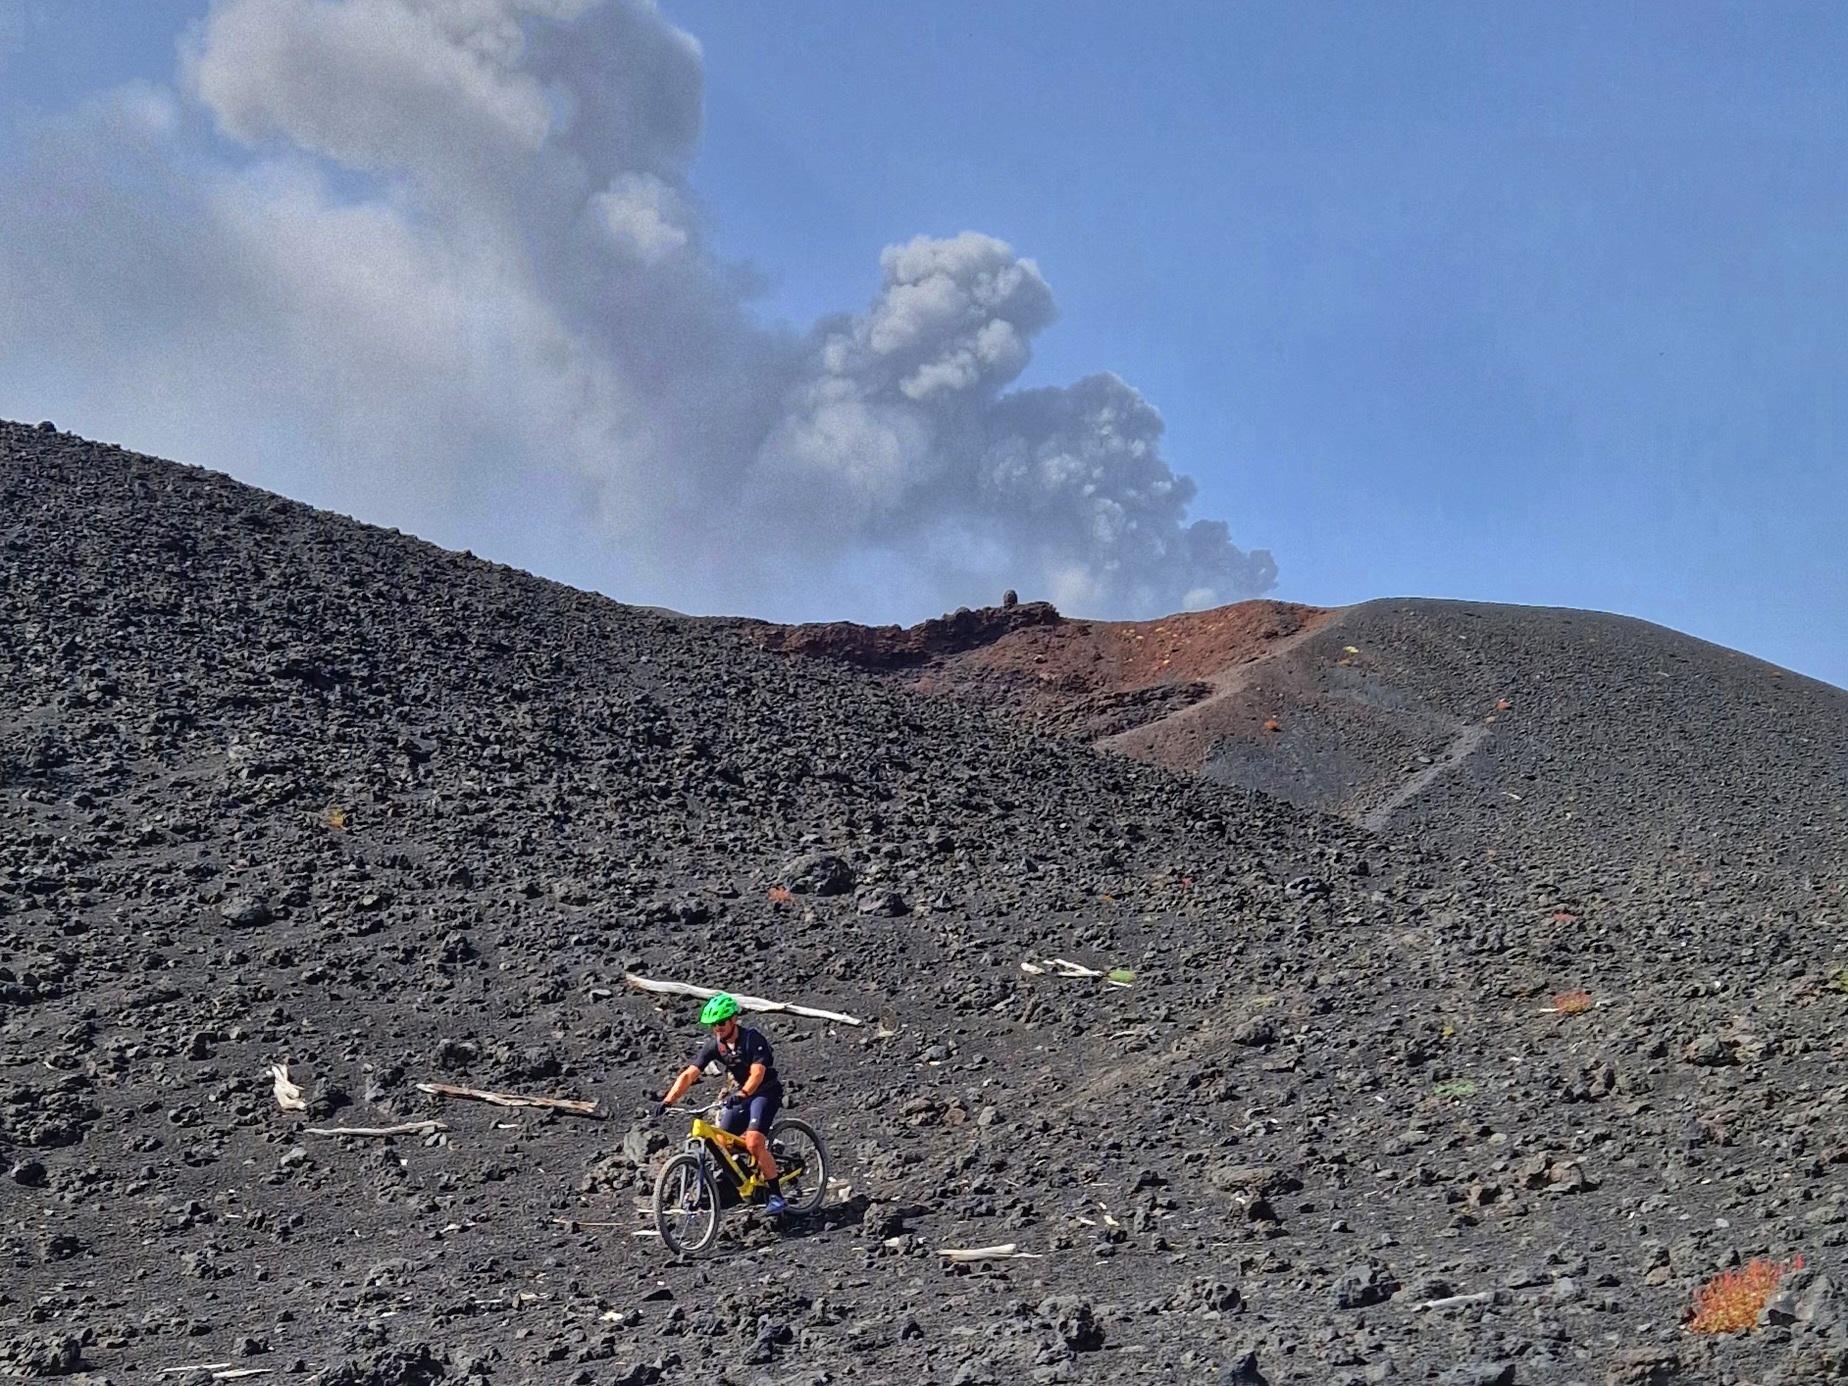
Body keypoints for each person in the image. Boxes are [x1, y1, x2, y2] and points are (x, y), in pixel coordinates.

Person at [654, 993, 787, 1214]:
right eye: (713, 1025)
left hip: (764, 1092)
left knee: (754, 1142)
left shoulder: (752, 1039)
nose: (717, 1028)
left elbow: (757, 1073)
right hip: (740, 1095)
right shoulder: (715, 1046)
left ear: (733, 1019)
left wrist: (743, 1093)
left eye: (721, 1023)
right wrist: (668, 1100)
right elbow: (689, 1074)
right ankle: (747, 1182)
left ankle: (776, 1196)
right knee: (719, 1143)